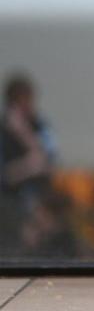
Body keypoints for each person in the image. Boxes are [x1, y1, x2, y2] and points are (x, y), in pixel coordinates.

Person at [0, 73, 57, 212]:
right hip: (9, 200)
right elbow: (5, 174)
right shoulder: (3, 131)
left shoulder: (40, 125)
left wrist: (24, 133)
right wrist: (29, 166)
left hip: (38, 196)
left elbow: (49, 158)